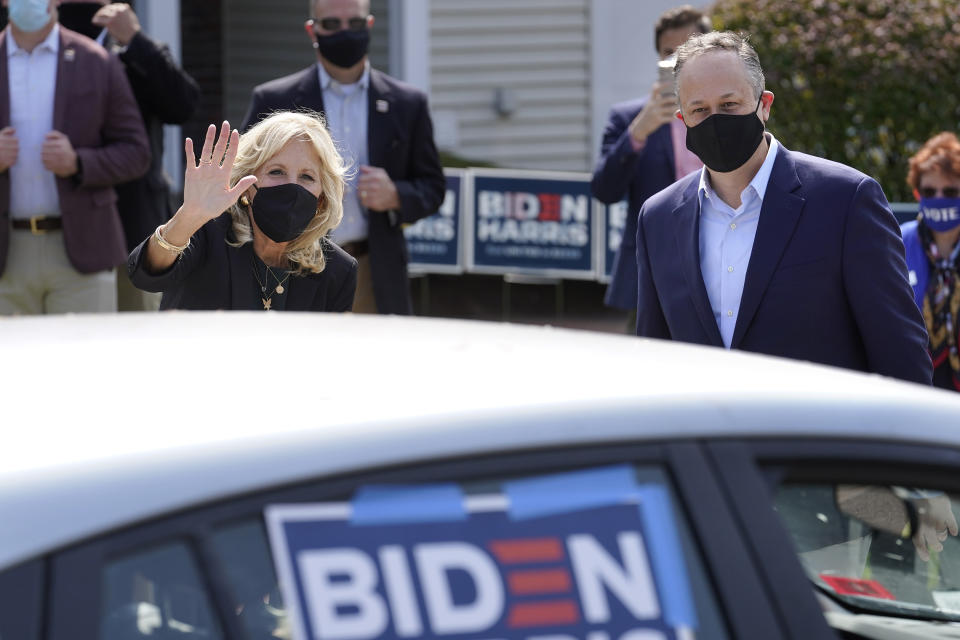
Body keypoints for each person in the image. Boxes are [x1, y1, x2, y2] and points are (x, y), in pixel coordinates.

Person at [634, 31, 931, 385]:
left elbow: (901, 357)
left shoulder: (847, 199)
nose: (715, 121)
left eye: (729, 105)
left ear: (765, 105)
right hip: (706, 438)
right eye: (700, 110)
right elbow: (655, 362)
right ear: (683, 120)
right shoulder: (658, 219)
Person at [240, 0, 445, 315]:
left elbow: (433, 188)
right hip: (292, 263)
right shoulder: (275, 99)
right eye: (332, 24)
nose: (345, 32)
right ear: (313, 30)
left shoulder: (408, 103)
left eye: (356, 24)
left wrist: (396, 195)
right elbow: (243, 180)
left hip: (372, 268)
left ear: (370, 26)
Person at [0, 0, 149, 315]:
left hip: (81, 252)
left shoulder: (95, 61)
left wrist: (79, 163)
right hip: (6, 252)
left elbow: (136, 152)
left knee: (83, 363)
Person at [127, 112, 357, 312]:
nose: (292, 187)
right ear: (246, 186)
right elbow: (146, 275)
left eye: (307, 177)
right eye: (276, 172)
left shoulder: (339, 270)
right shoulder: (206, 231)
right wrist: (188, 217)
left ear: (322, 199)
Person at [57, 0, 201, 312]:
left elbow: (183, 105)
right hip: (52, 228)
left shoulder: (135, 50)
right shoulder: (30, 50)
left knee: (134, 342)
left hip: (131, 229)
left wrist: (137, 41)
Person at [592, 6, 710, 328]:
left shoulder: (727, 114)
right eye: (669, 52)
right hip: (650, 272)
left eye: (689, 49)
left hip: (718, 263)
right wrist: (637, 134)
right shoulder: (628, 118)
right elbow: (604, 191)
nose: (678, 60)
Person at [900, 133, 960, 390]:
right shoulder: (897, 241)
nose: (938, 197)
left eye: (950, 191)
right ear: (917, 193)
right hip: (917, 388)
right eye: (929, 191)